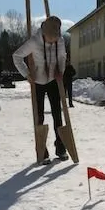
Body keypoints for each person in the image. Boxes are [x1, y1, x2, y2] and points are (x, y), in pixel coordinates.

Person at [13, 16, 68, 164]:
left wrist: (60, 71)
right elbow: (17, 56)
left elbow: (63, 57)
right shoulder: (34, 41)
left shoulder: (60, 41)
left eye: (54, 40)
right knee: (39, 116)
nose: (52, 42)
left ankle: (61, 148)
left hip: (53, 81)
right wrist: (26, 74)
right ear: (44, 34)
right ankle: (42, 151)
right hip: (37, 81)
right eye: (49, 40)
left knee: (58, 115)